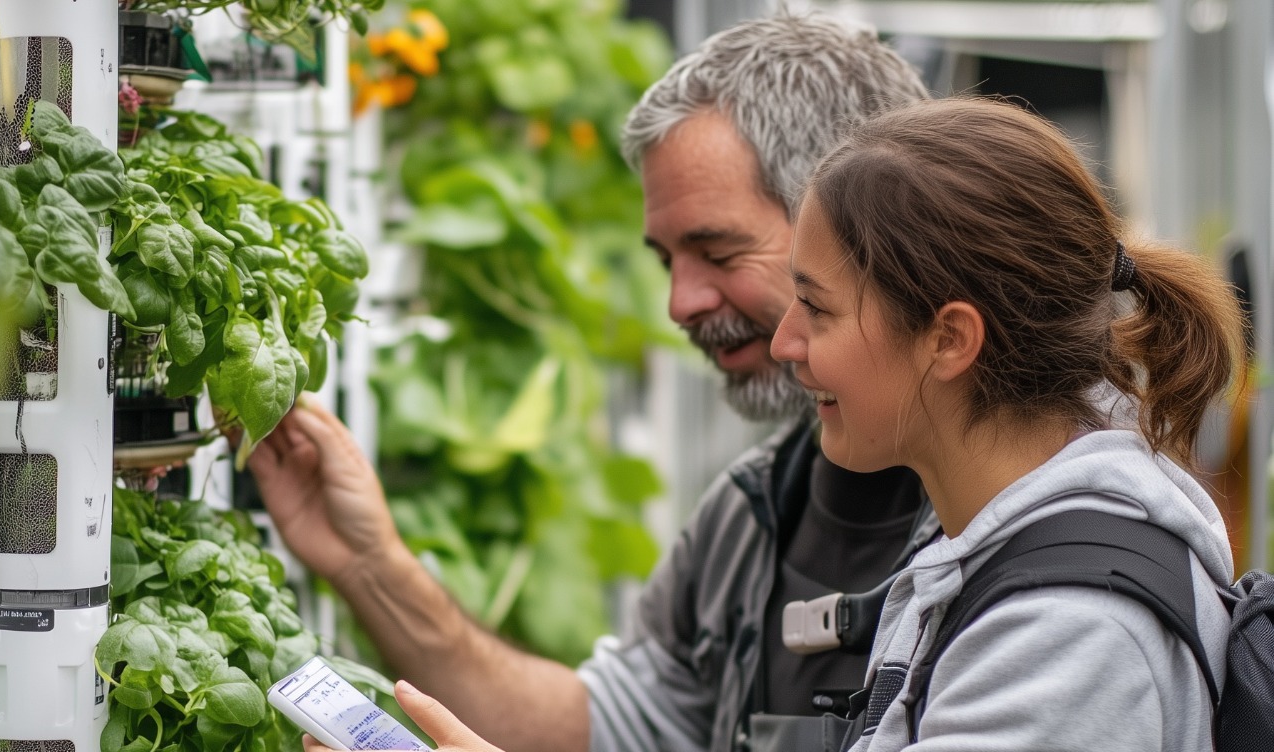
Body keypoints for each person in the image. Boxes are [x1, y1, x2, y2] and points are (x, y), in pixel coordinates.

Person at [251, 11, 935, 752]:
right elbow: (603, 730)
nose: (680, 303)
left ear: (860, 225)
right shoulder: (755, 515)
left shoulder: (1021, 545)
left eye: (718, 251)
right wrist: (370, 564)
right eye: (667, 261)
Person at [768, 97, 1239, 750]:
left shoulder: (1069, 638)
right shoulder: (1013, 551)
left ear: (949, 339)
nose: (784, 343)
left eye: (817, 309)